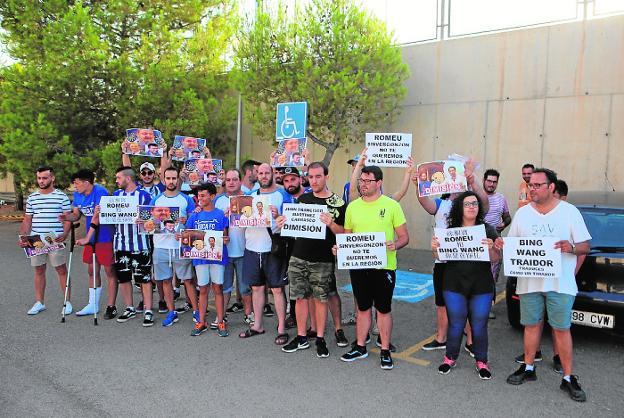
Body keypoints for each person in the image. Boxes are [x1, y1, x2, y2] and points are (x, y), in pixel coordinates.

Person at [504, 168, 590, 402]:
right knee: (531, 325)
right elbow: (512, 245)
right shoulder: (523, 214)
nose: (532, 189)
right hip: (530, 281)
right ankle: (529, 368)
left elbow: (585, 246)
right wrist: (498, 246)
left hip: (560, 283)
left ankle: (568, 377)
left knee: (561, 328)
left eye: (537, 185)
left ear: (551, 187)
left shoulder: (569, 212)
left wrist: (569, 248)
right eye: (530, 185)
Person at [339, 165, 409, 370]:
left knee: (383, 309)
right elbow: (347, 236)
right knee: (362, 308)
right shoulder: (352, 207)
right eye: (361, 180)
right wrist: (340, 248)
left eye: (368, 181)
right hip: (359, 266)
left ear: (379, 183)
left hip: (384, 267)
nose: (363, 184)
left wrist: (395, 244)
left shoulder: (391, 205)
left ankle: (385, 350)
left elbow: (404, 237)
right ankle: (360, 346)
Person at [416, 159, 488, 353]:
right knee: (441, 302)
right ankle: (441, 338)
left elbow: (485, 204)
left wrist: (473, 181)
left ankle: (471, 342)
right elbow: (424, 200)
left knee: (468, 303)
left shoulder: (472, 204)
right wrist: (419, 185)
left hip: (467, 262)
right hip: (443, 262)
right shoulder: (442, 204)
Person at [279, 162, 349, 358]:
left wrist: (331, 223)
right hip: (298, 255)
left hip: (322, 259)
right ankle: (301, 336)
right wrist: (282, 222)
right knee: (300, 298)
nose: (314, 180)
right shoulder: (303, 199)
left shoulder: (338, 203)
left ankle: (320, 338)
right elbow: (291, 225)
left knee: (321, 299)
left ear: (326, 176)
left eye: (318, 176)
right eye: (311, 177)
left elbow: (343, 233)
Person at [431, 191, 501, 379]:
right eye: (467, 204)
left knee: (479, 324)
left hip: (481, 285)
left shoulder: (487, 229)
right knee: (456, 323)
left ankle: (482, 361)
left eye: (475, 204)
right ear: (460, 207)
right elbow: (440, 257)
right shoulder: (449, 229)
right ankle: (450, 358)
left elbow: (496, 259)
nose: (472, 207)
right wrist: (435, 249)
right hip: (454, 283)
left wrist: (492, 249)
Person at [238, 163, 293, 344]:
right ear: (257, 175)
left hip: (273, 248)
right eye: (260, 173)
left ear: (272, 174)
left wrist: (278, 216)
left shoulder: (282, 195)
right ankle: (258, 325)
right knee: (257, 288)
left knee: (277, 289)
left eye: (266, 172)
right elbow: (240, 219)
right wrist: (233, 214)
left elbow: (291, 221)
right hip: (252, 247)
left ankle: (281, 328)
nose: (263, 176)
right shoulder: (250, 196)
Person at [59, 169, 117, 317]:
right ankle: (93, 304)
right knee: (92, 270)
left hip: (104, 236)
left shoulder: (100, 192)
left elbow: (96, 218)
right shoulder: (78, 195)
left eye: (77, 183)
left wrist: (86, 238)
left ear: (86, 182)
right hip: (91, 237)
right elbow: (76, 215)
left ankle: (111, 305)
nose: (75, 186)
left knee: (110, 271)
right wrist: (67, 217)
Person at [149, 166, 199, 327]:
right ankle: (172, 312)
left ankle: (196, 311)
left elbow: (193, 222)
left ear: (178, 179)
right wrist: (142, 223)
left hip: (180, 246)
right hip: (161, 246)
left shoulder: (186, 199)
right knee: (165, 281)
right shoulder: (156, 200)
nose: (171, 181)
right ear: (163, 179)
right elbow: (149, 222)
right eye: (168, 178)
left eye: (174, 178)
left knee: (188, 280)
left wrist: (186, 222)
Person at [18, 166, 72, 315]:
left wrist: (65, 233)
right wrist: (22, 236)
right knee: (39, 270)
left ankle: (67, 302)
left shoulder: (61, 196)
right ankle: (39, 302)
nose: (41, 181)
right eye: (39, 178)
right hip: (36, 240)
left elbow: (67, 218)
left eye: (44, 178)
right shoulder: (32, 197)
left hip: (55, 239)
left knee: (61, 270)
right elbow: (28, 219)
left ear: (52, 178)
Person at [109, 167, 153, 325]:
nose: (116, 181)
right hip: (121, 244)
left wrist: (146, 221)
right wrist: (101, 211)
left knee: (144, 278)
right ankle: (129, 307)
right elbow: (109, 216)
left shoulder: (144, 196)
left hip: (140, 244)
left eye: (118, 178)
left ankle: (148, 309)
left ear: (128, 179)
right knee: (124, 277)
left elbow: (152, 220)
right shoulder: (116, 195)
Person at [186, 183, 230, 337]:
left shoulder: (220, 214)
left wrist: (225, 239)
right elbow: (188, 235)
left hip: (217, 258)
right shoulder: (194, 215)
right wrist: (182, 238)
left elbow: (225, 236)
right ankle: (202, 321)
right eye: (199, 196)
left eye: (203, 195)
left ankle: (220, 321)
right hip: (200, 259)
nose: (200, 198)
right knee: (203, 289)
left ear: (212, 196)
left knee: (218, 288)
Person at [215, 169, 254, 324]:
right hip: (224, 252)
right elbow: (212, 222)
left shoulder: (248, 199)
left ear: (240, 181)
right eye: (228, 180)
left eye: (235, 179)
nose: (231, 182)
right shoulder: (218, 201)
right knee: (225, 287)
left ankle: (248, 314)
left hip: (244, 250)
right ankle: (221, 315)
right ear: (225, 182)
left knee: (245, 288)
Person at [482, 168, 512, 319]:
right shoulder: (477, 197)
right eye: (489, 181)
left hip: (495, 241)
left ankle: (487, 308)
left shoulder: (501, 198)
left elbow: (508, 217)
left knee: (492, 276)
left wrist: (503, 225)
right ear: (483, 181)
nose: (491, 184)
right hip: (479, 241)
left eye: (495, 182)